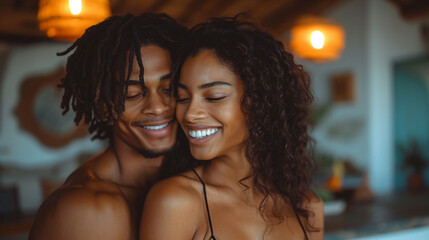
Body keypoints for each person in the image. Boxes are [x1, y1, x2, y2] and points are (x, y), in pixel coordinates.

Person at [140, 16, 324, 240]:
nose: (189, 114)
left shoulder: (308, 208)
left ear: (259, 103)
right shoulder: (176, 201)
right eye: (182, 97)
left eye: (214, 97)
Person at [29, 13, 192, 240]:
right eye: (133, 93)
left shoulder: (191, 181)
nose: (157, 107)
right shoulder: (88, 208)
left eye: (169, 89)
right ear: (104, 105)